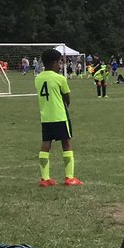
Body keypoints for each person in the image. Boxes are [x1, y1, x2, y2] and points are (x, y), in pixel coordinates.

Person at [36, 48, 81, 187]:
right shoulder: (60, 78)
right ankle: (69, 177)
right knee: (66, 142)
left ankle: (45, 178)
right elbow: (67, 98)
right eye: (60, 62)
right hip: (60, 115)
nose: (60, 65)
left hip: (46, 116)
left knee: (46, 144)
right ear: (55, 62)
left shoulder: (38, 78)